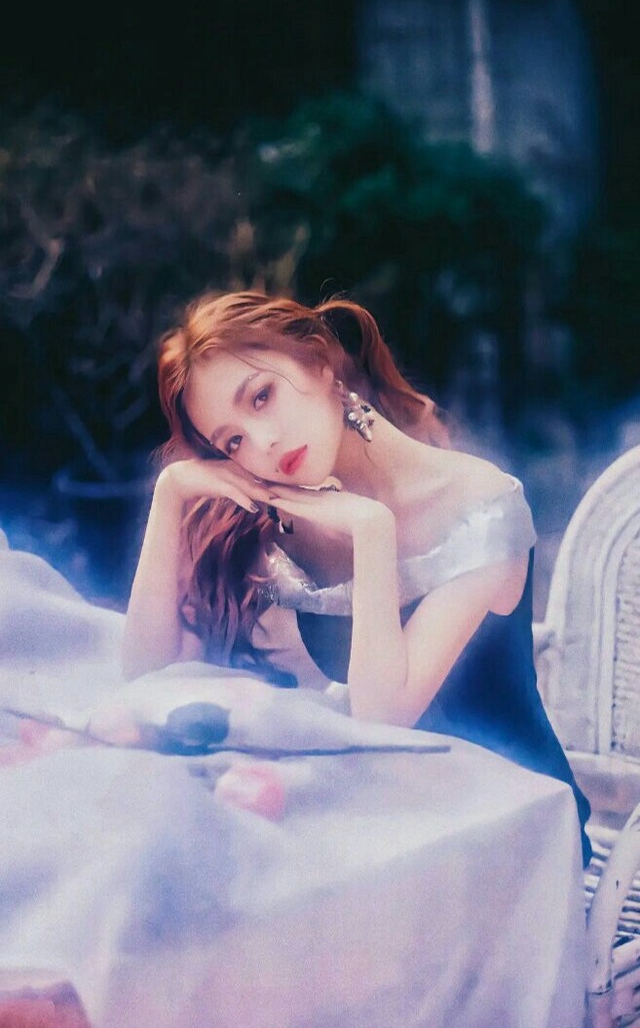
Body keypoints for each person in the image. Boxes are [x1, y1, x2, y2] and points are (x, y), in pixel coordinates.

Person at [123, 289, 592, 866]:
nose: (262, 442)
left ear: (320, 362)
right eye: (233, 440)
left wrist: (371, 531)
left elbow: (382, 717)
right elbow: (146, 676)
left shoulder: (482, 505)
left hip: (518, 834)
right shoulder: (276, 520)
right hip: (392, 822)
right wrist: (169, 495)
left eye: (262, 396)